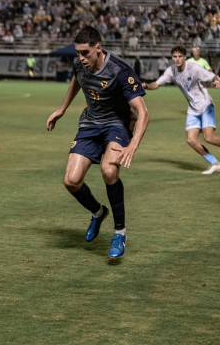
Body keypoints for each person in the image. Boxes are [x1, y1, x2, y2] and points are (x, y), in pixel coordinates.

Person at [46, 26, 150, 258]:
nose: (81, 58)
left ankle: (120, 233)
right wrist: (62, 109)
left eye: (86, 53)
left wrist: (133, 145)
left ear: (98, 48)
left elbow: (143, 112)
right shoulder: (79, 64)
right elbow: (77, 80)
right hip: (90, 124)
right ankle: (98, 212)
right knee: (71, 181)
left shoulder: (119, 70)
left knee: (108, 171)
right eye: (78, 53)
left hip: (117, 125)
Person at [143, 45, 220, 174]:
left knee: (209, 138)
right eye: (175, 56)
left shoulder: (194, 68)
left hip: (206, 105)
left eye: (180, 56)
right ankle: (215, 163)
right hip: (193, 109)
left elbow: (212, 76)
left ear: (185, 57)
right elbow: (156, 84)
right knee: (191, 140)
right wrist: (145, 85)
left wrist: (217, 81)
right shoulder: (171, 71)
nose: (177, 59)